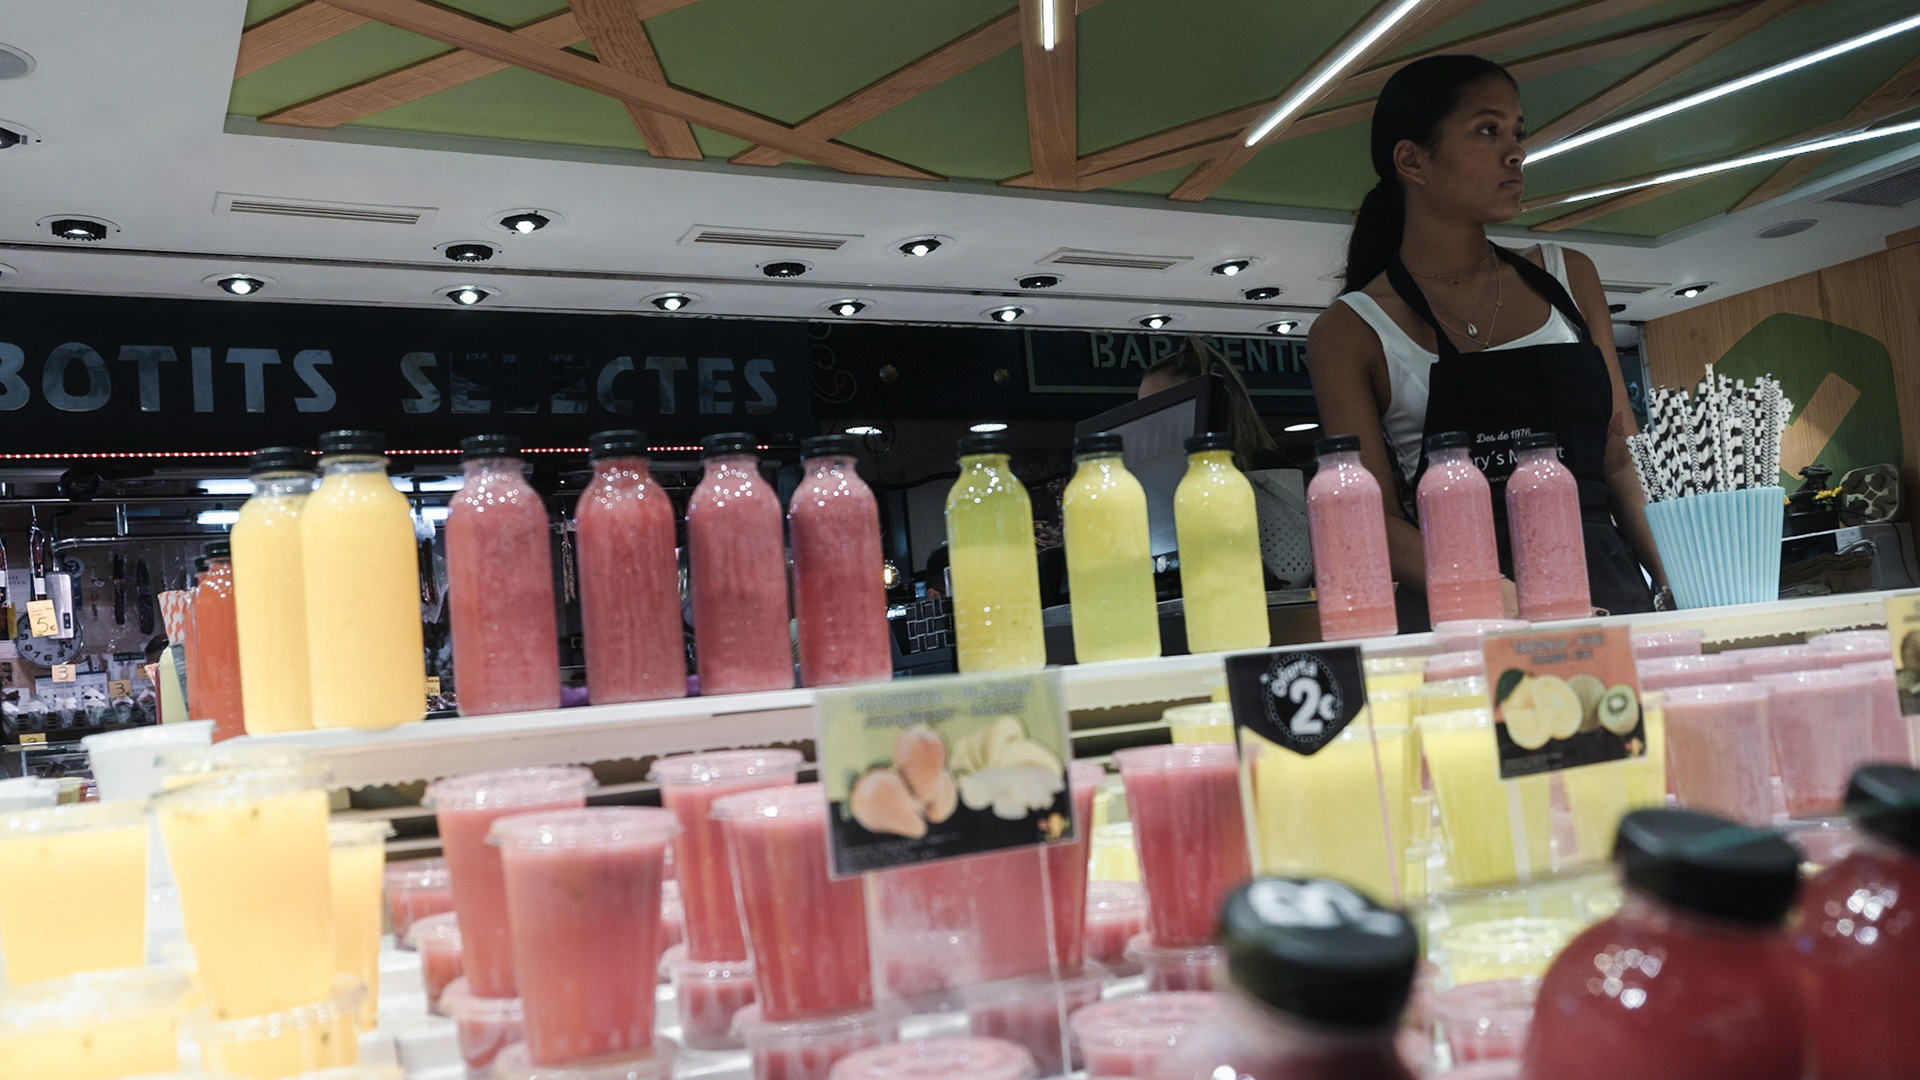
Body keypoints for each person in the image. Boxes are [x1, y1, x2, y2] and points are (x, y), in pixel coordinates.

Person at [1306, 54, 1666, 621]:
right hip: (1467, 612)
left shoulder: (1567, 276)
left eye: (1517, 132)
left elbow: (1620, 460)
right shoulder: (1350, 330)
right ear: (1412, 160)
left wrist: (1679, 582)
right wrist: (1505, 601)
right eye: (1487, 130)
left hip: (1608, 592)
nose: (1516, 151)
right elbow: (1368, 517)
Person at [1139, 336, 1283, 472]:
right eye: (1143, 414)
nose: (1148, 427)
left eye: (1161, 411)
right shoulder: (1152, 480)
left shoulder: (1271, 473)